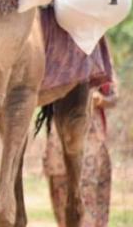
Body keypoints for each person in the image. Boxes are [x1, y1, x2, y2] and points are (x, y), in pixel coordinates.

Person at [43, 81, 118, 227]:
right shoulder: (56, 64)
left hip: (91, 141)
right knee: (63, 200)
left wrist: (99, 99)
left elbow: (114, 96)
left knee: (90, 198)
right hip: (60, 143)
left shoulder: (96, 60)